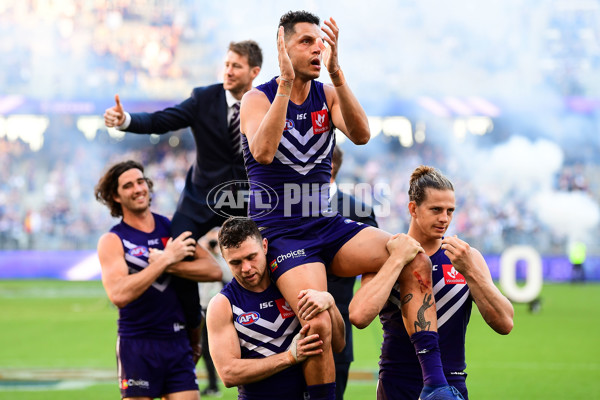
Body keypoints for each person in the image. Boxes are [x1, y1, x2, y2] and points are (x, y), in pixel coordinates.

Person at [240, 10, 460, 400]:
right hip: (283, 233)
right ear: (283, 49)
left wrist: (337, 74)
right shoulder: (257, 99)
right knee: (318, 321)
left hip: (325, 224)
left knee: (410, 254)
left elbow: (361, 134)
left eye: (320, 42)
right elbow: (263, 151)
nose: (317, 48)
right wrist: (286, 84)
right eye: (306, 41)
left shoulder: (326, 94)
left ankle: (435, 384)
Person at [103, 40, 264, 354]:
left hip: (245, 202)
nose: (228, 71)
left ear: (254, 72)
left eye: (236, 66)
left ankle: (257, 322)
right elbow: (163, 120)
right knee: (176, 248)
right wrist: (125, 121)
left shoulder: (266, 102)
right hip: (200, 198)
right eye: (227, 64)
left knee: (260, 258)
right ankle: (193, 326)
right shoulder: (203, 98)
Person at [350, 165, 514, 400]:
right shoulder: (386, 255)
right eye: (436, 209)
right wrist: (396, 261)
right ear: (413, 209)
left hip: (451, 383)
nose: (444, 218)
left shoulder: (466, 257)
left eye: (450, 211)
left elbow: (505, 323)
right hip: (398, 384)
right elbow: (359, 315)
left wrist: (471, 271)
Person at [94, 160, 224, 400]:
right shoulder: (112, 240)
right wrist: (165, 260)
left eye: (141, 181)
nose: (138, 189)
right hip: (137, 343)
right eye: (128, 186)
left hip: (178, 341)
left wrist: (170, 262)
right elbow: (119, 294)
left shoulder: (170, 227)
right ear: (115, 196)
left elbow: (213, 270)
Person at [206, 216, 346, 400]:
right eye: (236, 262)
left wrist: (330, 303)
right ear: (224, 259)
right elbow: (229, 373)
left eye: (251, 257)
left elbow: (338, 345)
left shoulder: (292, 286)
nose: (246, 268)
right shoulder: (222, 304)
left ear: (264, 246)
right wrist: (289, 357)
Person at [326, 146, 378, 400]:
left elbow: (375, 263)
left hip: (336, 332)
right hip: (283, 334)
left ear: (328, 166)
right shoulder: (286, 205)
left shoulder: (358, 211)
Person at [197, 227, 233, 397]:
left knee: (214, 347)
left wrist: (216, 254)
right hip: (201, 306)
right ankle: (212, 385)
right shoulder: (199, 256)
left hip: (215, 307)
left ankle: (215, 385)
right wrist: (204, 252)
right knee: (202, 348)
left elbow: (226, 275)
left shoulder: (220, 258)